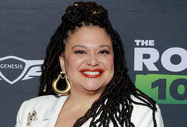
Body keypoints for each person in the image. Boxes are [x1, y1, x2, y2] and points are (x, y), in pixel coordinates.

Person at [15, 1, 164, 127]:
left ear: (114, 59)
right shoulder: (31, 109)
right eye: (80, 52)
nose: (93, 61)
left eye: (103, 52)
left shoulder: (140, 112)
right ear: (62, 62)